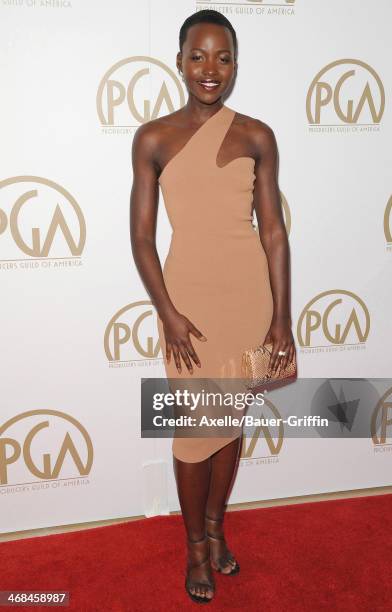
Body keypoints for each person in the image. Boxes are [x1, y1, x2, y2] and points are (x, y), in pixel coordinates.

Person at [130, 9, 296, 604]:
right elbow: (142, 239)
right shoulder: (153, 138)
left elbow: (274, 232)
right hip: (188, 307)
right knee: (195, 432)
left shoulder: (257, 135)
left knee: (229, 426)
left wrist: (281, 319)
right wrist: (168, 313)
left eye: (222, 57)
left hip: (248, 300)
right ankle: (194, 549)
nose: (210, 69)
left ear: (234, 65)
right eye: (197, 56)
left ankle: (216, 531)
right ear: (178, 61)